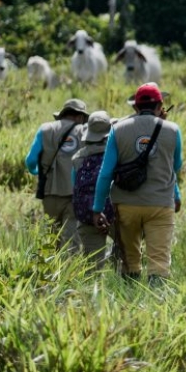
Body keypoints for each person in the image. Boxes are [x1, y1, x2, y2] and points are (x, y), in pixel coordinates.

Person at [92, 82, 182, 282]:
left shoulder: (117, 129)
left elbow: (106, 173)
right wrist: (176, 195)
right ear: (160, 106)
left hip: (126, 205)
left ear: (135, 107)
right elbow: (175, 167)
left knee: (129, 259)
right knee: (159, 260)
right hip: (160, 204)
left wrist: (98, 208)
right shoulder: (173, 130)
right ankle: (157, 302)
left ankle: (129, 296)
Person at [25, 96, 89, 244]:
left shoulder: (45, 129)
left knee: (52, 239)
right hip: (75, 193)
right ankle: (69, 267)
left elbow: (30, 161)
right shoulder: (84, 131)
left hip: (49, 193)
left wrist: (37, 172)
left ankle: (52, 266)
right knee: (71, 239)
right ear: (80, 116)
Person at [70, 111, 116, 268]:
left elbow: (74, 187)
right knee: (127, 259)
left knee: (93, 268)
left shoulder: (78, 158)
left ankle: (91, 292)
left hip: (88, 216)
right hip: (116, 213)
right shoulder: (117, 153)